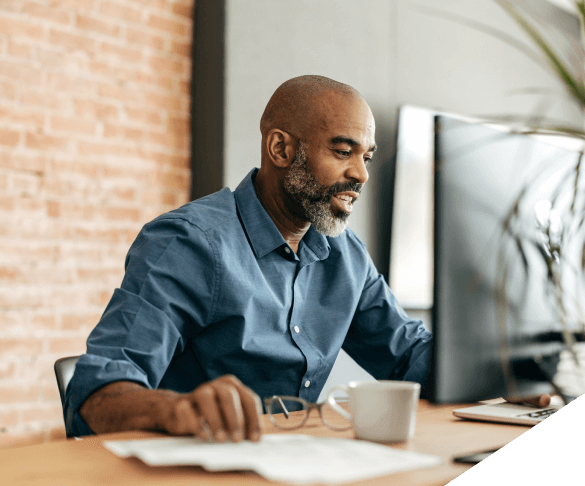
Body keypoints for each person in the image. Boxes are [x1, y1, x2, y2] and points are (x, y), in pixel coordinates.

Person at [64, 75, 433, 442]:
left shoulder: (345, 255)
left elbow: (409, 356)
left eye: (366, 157)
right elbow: (95, 393)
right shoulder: (189, 243)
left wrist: (486, 353)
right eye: (342, 152)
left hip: (295, 463)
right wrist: (177, 409)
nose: (361, 174)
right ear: (281, 149)